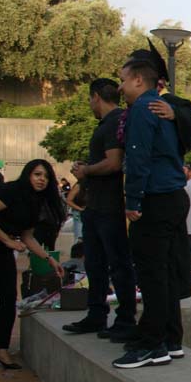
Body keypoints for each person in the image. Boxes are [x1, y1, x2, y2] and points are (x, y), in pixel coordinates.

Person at [112, 53, 189, 369]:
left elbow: (138, 156)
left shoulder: (143, 109)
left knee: (152, 274)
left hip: (155, 199)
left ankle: (151, 344)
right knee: (165, 272)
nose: (119, 87)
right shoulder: (159, 108)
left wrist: (132, 201)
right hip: (172, 196)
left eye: (122, 80)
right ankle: (170, 339)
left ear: (138, 80)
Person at [65, 78, 139, 340]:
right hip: (96, 205)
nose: (90, 104)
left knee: (118, 263)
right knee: (95, 263)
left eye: (90, 99)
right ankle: (96, 314)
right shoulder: (109, 123)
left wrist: (86, 170)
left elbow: (113, 162)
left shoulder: (115, 122)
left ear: (96, 96)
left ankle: (125, 317)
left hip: (110, 207)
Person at [0, 160, 66, 369]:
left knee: (8, 298)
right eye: (37, 174)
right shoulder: (10, 191)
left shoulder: (36, 203)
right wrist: (8, 241)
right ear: (28, 174)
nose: (42, 179)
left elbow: (27, 236)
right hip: (4, 243)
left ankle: (2, 349)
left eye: (46, 176)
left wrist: (49, 259)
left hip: (3, 251)